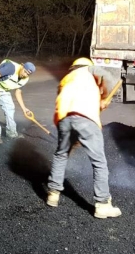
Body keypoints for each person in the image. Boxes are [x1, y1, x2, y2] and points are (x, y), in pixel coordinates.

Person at [47, 57, 122, 219]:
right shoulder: (89, 70)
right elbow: (108, 77)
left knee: (61, 155)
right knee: (99, 162)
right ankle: (102, 204)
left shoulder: (66, 79)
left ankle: (53, 193)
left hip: (64, 119)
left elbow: (63, 101)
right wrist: (103, 98)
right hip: (86, 118)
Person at [0, 59, 35, 144]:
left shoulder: (25, 79)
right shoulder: (11, 67)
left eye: (27, 74)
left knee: (10, 108)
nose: (24, 75)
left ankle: (12, 133)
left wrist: (24, 109)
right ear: (22, 66)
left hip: (3, 88)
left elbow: (18, 93)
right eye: (25, 71)